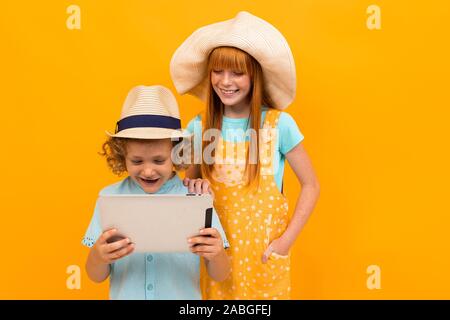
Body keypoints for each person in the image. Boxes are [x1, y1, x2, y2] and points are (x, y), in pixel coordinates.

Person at [170, 12, 320, 299]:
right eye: (218, 71)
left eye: (237, 72)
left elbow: (311, 185)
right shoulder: (199, 128)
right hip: (215, 260)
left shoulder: (278, 125)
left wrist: (285, 242)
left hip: (263, 259)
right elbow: (182, 190)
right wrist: (191, 187)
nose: (225, 81)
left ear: (255, 76)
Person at [81, 85, 230, 300]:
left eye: (159, 160)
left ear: (178, 154)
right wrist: (98, 257)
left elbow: (220, 274)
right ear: (123, 155)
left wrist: (216, 254)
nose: (148, 170)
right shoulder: (109, 198)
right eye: (137, 161)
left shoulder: (196, 199)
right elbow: (95, 276)